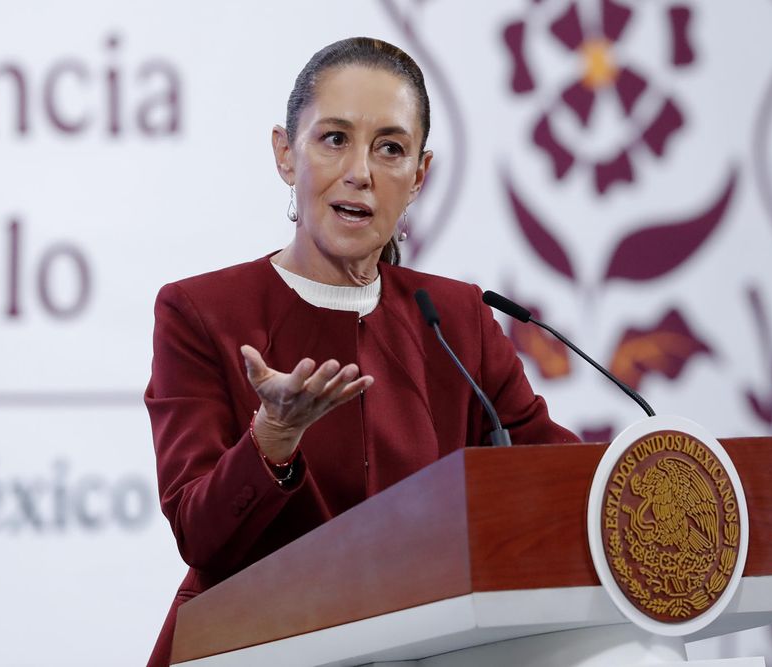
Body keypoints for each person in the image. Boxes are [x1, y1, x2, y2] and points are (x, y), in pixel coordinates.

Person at [143, 36, 578, 667]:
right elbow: (199, 534)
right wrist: (272, 438)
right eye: (334, 138)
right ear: (285, 154)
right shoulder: (201, 311)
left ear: (419, 176)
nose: (360, 172)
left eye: (391, 149)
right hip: (248, 649)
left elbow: (559, 473)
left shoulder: (455, 317)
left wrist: (733, 468)